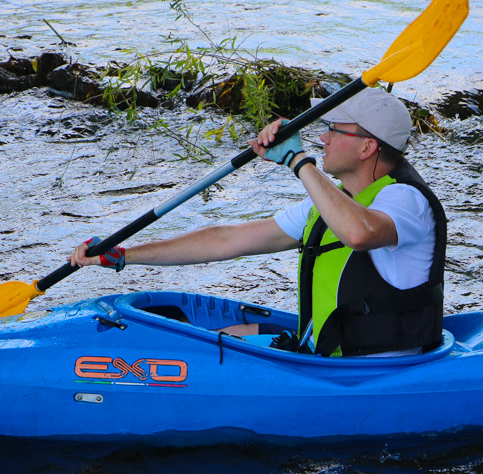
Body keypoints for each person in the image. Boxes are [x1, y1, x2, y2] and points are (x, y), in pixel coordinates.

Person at [69, 87, 446, 356]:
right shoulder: (334, 201)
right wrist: (124, 255)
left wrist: (298, 161)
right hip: (328, 350)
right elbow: (226, 241)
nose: (322, 138)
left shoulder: (406, 200)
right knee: (214, 335)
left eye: (334, 129)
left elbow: (358, 234)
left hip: (372, 366)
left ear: (367, 147)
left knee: (203, 352)